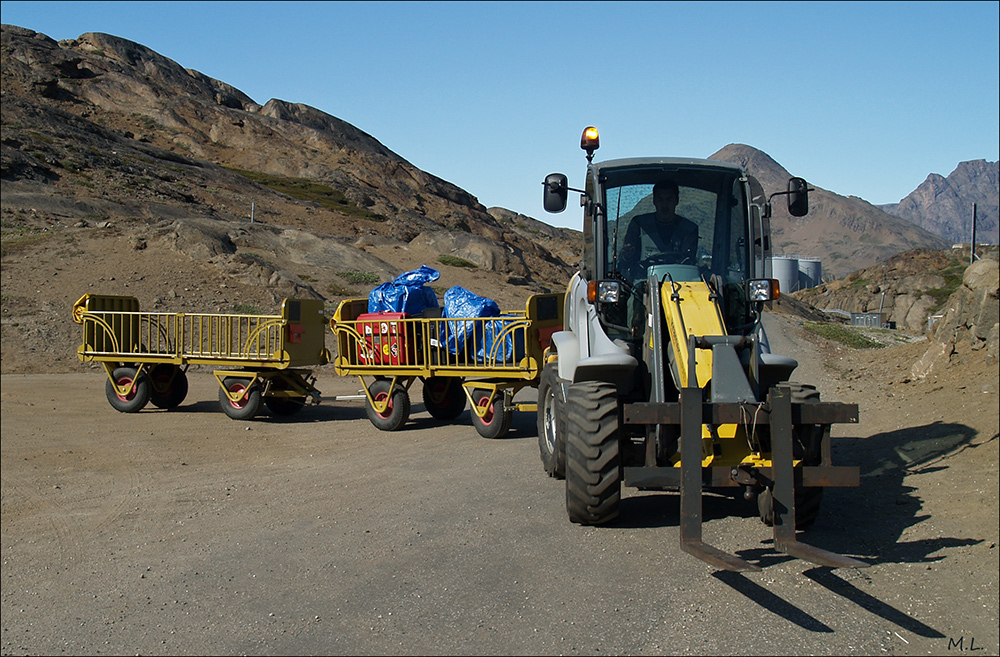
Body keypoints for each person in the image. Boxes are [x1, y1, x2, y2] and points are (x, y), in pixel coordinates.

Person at [618, 179, 699, 281]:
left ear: (676, 201)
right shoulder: (639, 224)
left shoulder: (688, 229)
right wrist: (627, 255)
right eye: (660, 200)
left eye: (669, 200)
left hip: (680, 284)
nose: (664, 205)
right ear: (654, 201)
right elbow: (625, 262)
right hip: (642, 285)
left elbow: (689, 263)